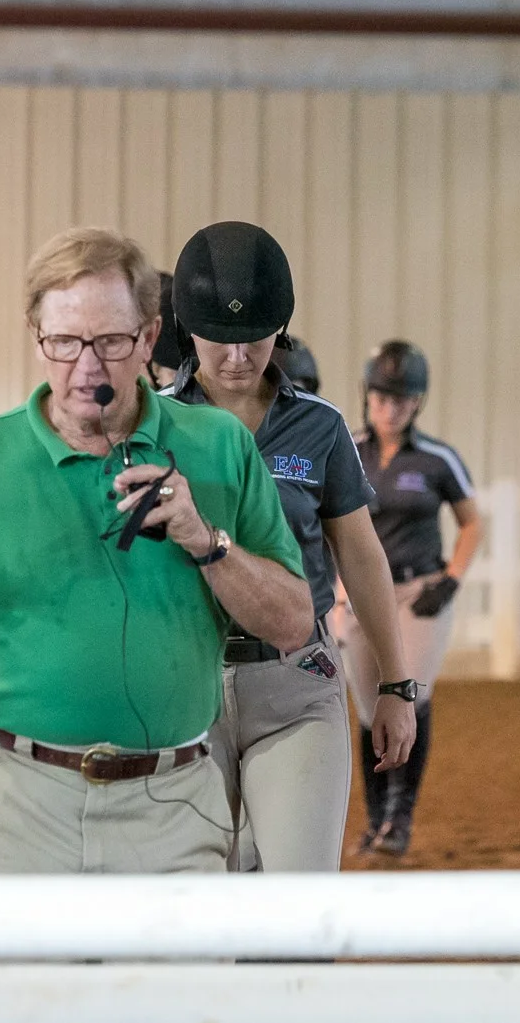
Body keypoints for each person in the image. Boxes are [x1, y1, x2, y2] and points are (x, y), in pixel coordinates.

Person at [0, 227, 310, 876]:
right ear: (37, 336)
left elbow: (293, 621)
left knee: (175, 982)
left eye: (111, 341)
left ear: (150, 337)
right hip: (8, 804)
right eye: (64, 342)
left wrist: (205, 540)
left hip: (174, 804)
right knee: (11, 983)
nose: (87, 367)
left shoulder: (219, 447)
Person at [164, 222, 415, 871]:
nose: (239, 356)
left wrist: (395, 683)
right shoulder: (155, 422)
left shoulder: (321, 427)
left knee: (299, 902)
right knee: (198, 904)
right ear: (188, 328)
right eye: (219, 338)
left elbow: (361, 558)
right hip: (184, 686)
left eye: (256, 336)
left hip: (297, 682)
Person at [341, 340, 482, 857]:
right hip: (358, 594)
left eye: (401, 398)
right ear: (368, 395)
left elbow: (472, 523)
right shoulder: (347, 451)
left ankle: (400, 816)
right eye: (381, 395)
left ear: (417, 402)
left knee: (410, 694)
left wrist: (452, 578)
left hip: (420, 592)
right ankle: (376, 817)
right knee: (365, 708)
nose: (390, 406)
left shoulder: (438, 459)